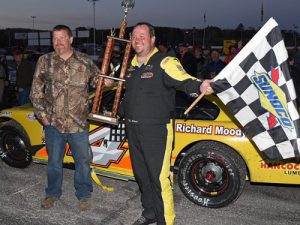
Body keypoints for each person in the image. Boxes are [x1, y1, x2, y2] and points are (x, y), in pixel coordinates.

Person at [118, 22, 213, 225]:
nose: (138, 39)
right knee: (142, 176)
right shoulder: (131, 65)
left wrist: (200, 85)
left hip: (157, 130)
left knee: (159, 179)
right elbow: (128, 96)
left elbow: (185, 80)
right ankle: (150, 213)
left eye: (142, 35)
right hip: (133, 129)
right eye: (134, 36)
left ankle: (165, 221)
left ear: (152, 39)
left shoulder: (165, 61)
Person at [30, 24, 112, 211]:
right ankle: (52, 193)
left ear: (71, 39)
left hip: (79, 124)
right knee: (54, 163)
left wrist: (105, 83)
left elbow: (96, 81)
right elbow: (36, 92)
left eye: (61, 38)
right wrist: (43, 117)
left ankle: (83, 195)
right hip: (53, 125)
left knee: (82, 162)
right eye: (54, 39)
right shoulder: (45, 61)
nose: (57, 42)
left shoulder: (84, 61)